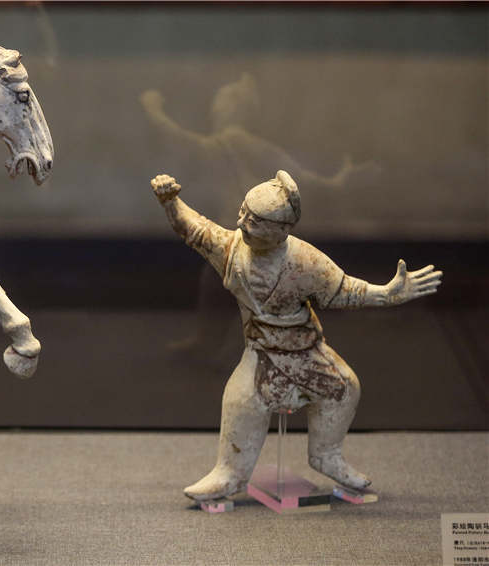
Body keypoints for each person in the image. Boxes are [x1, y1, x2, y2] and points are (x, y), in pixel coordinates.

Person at [150, 171, 442, 501]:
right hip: (261, 350)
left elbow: (344, 290)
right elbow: (193, 228)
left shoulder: (305, 261)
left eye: (256, 221)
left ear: (282, 230)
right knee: (241, 401)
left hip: (306, 349)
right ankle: (229, 475)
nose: (244, 224)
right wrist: (170, 202)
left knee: (345, 388)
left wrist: (387, 294)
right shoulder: (230, 249)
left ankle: (326, 456)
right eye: (243, 213)